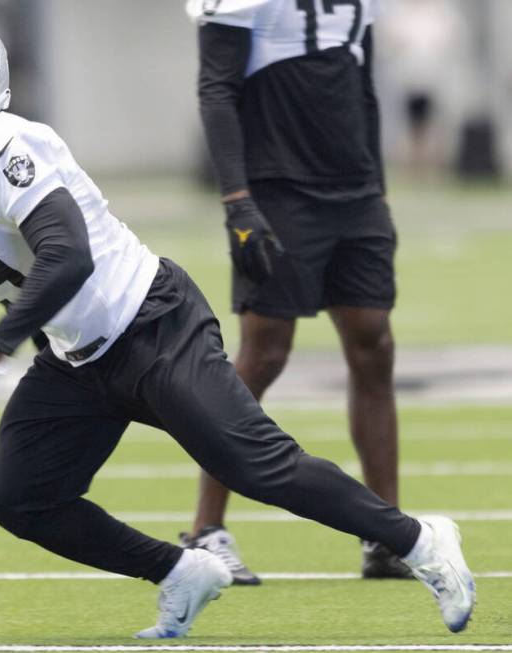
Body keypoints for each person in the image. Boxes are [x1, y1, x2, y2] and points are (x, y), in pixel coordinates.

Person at [0, 11, 475, 638]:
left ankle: (418, 539)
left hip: (151, 324)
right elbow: (17, 277)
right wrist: (28, 336)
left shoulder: (11, 146)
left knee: (258, 466)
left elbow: (67, 255)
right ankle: (180, 572)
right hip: (78, 353)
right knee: (21, 498)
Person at [183, 0, 410, 584]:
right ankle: (206, 530)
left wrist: (377, 191)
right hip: (278, 188)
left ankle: (385, 535)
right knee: (264, 353)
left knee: (373, 343)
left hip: (353, 188)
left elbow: (364, 85)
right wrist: (237, 200)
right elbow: (216, 90)